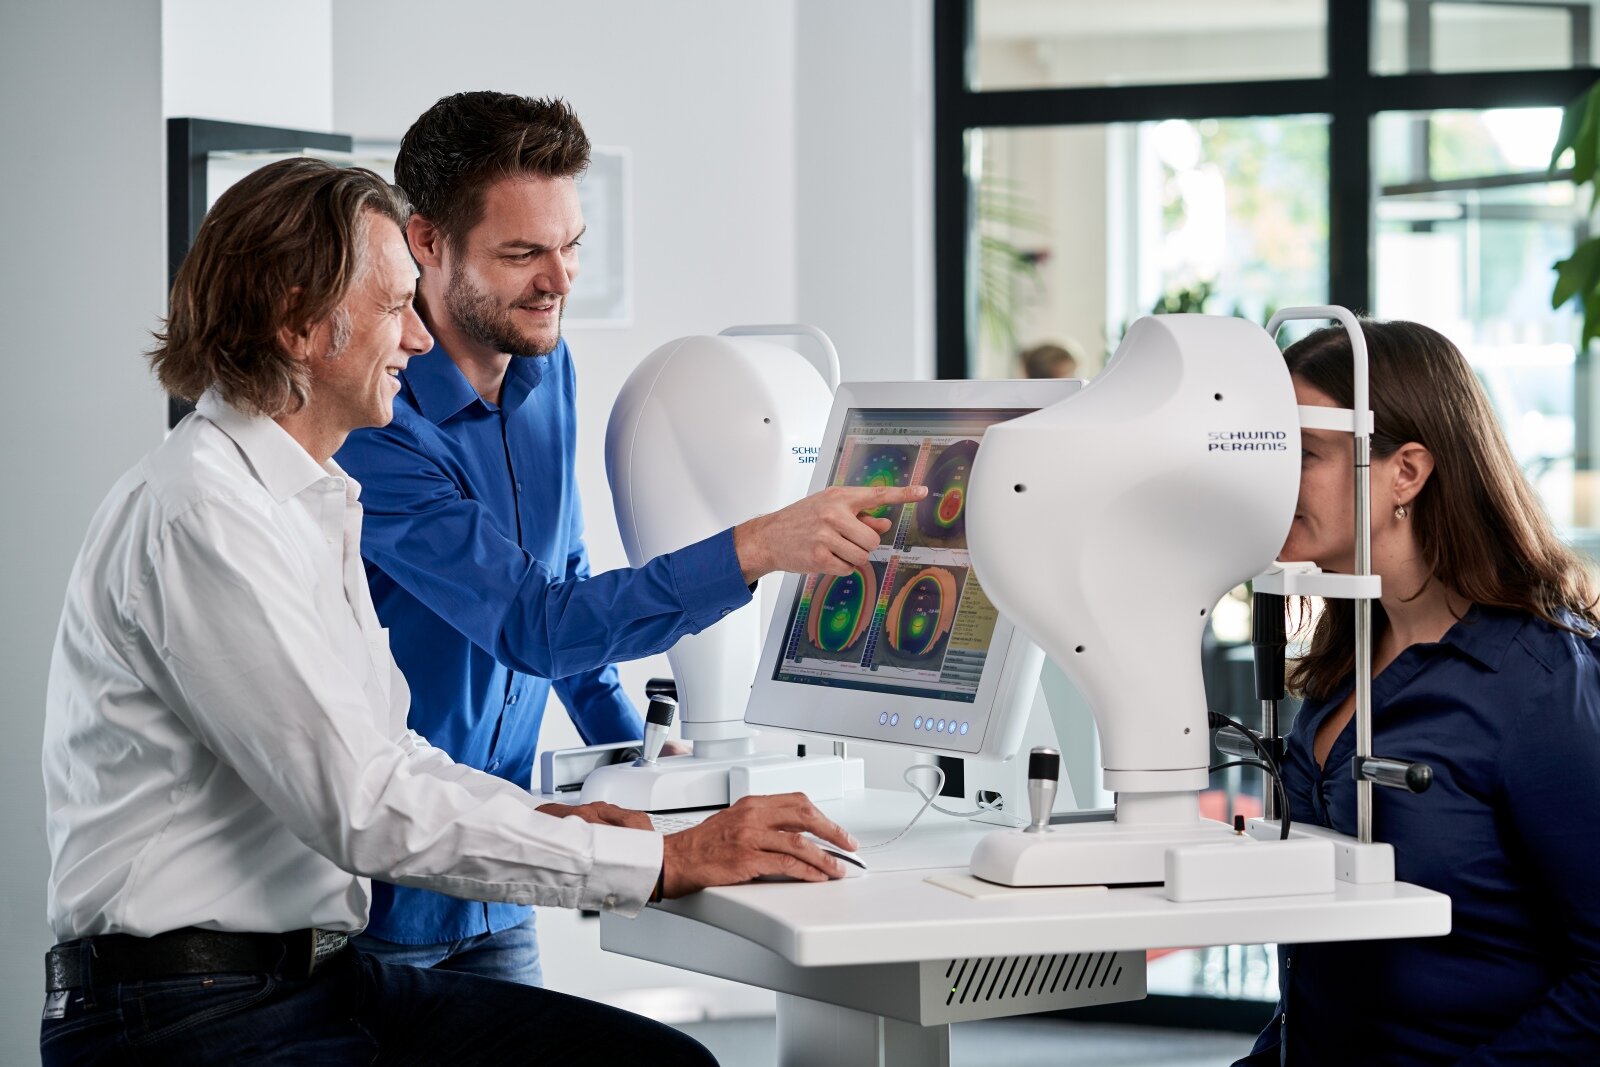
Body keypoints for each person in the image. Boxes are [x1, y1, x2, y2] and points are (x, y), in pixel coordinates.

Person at [40, 156, 891, 1066]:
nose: (417, 336)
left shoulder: (311, 497)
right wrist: (666, 860)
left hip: (314, 980)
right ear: (298, 324)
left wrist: (550, 815)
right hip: (190, 1012)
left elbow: (390, 750)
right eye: (394, 306)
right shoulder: (205, 514)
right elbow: (365, 803)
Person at [333, 91, 922, 985]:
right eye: (523, 253)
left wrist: (638, 753)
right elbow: (534, 623)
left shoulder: (546, 363)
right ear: (426, 242)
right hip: (386, 899)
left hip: (506, 879)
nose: (560, 281)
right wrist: (757, 546)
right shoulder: (377, 420)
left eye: (570, 247)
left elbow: (558, 578)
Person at [1237, 320, 1600, 1066]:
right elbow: (1325, 975)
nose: (1274, 480)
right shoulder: (1348, 660)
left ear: (1406, 471)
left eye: (1304, 454)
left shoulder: (1542, 684)